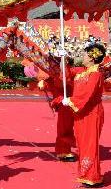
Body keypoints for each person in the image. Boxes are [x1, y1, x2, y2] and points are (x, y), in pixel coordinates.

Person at [62, 43, 106, 188]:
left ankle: (92, 177)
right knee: (83, 144)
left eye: (86, 55)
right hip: (81, 113)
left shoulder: (96, 75)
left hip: (92, 113)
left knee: (90, 145)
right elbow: (67, 74)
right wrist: (64, 60)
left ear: (93, 58)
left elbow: (86, 95)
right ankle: (86, 174)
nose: (83, 57)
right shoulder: (83, 72)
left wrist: (70, 101)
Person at [38, 61, 76, 162]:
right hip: (63, 101)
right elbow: (49, 80)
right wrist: (43, 83)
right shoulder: (53, 69)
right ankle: (63, 151)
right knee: (64, 126)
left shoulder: (71, 68)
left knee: (75, 126)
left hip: (76, 100)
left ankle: (77, 148)